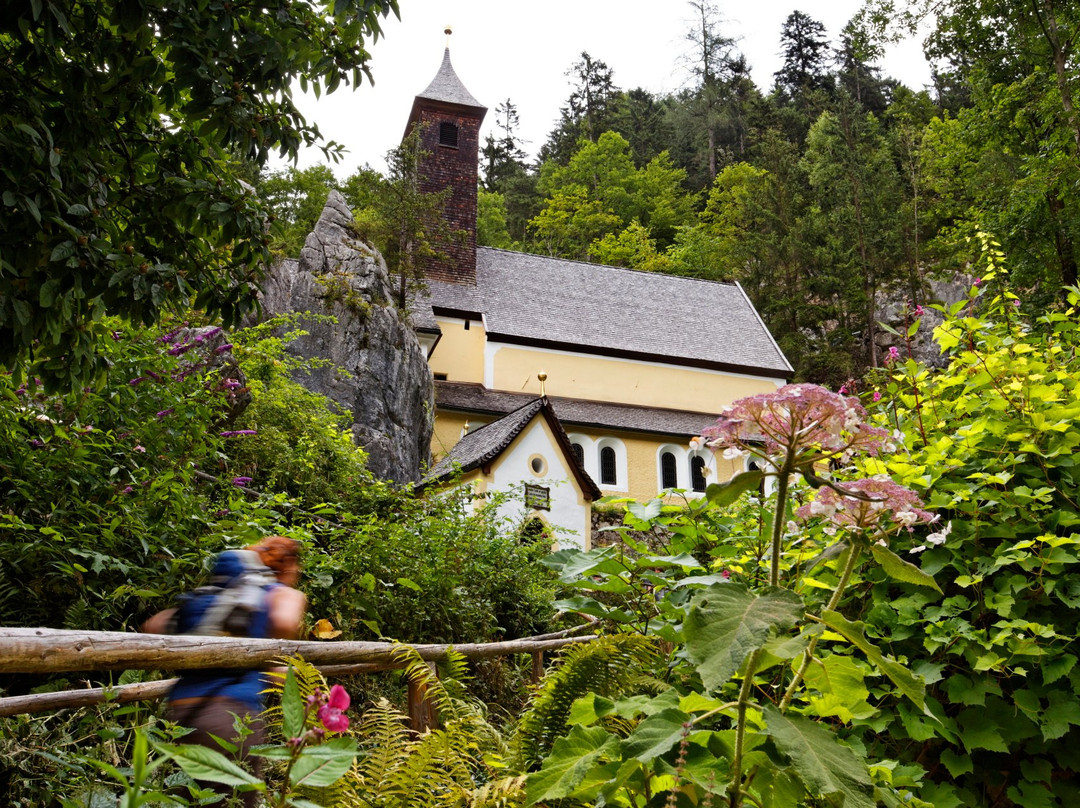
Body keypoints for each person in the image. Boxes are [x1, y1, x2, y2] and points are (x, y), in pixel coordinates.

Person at [143, 536, 307, 807]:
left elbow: (153, 626)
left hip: (179, 715)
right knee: (233, 799)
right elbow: (284, 619)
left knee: (190, 798)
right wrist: (274, 659)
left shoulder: (210, 596)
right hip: (231, 718)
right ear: (287, 565)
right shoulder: (276, 593)